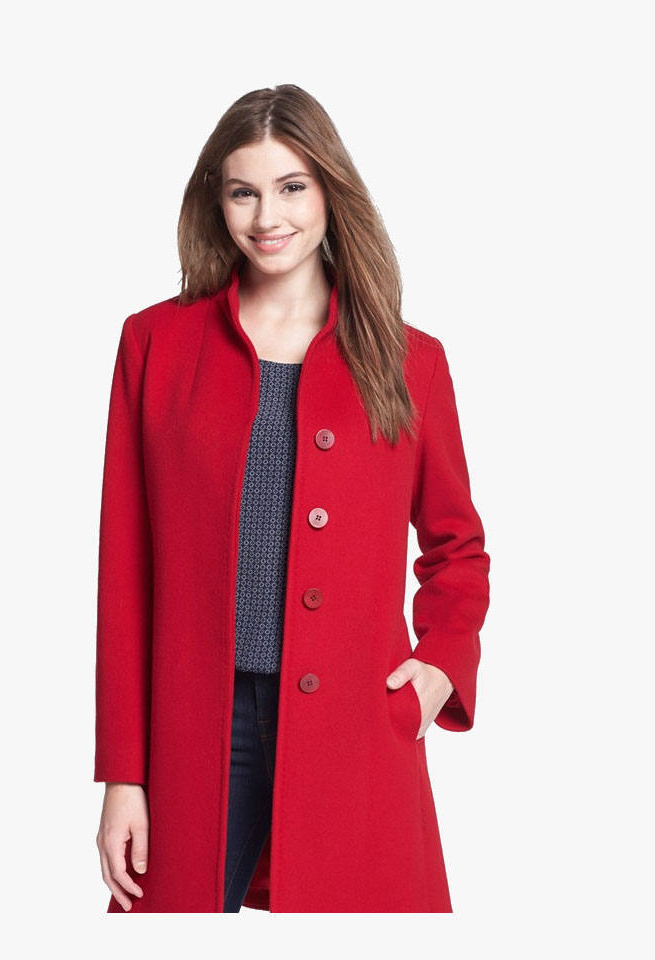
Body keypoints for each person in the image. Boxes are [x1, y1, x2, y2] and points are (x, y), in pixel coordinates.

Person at [94, 84, 490, 913]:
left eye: (291, 187)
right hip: (197, 729)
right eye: (244, 191)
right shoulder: (155, 344)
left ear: (329, 191)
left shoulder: (409, 361)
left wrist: (439, 667)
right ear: (217, 201)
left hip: (355, 728)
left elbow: (457, 546)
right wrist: (123, 775)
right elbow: (124, 571)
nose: (267, 216)